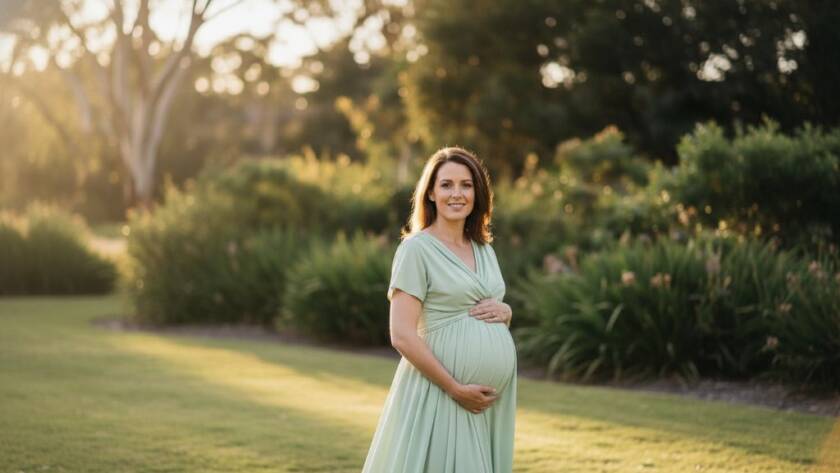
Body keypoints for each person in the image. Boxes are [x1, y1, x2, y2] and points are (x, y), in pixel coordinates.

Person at [361, 147, 517, 473]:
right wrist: (455, 388)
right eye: (446, 185)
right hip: (441, 393)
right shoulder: (416, 250)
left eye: (466, 185)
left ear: (478, 192)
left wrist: (505, 312)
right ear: (430, 192)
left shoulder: (484, 249)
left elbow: (482, 307)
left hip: (487, 405)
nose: (456, 194)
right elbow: (402, 334)